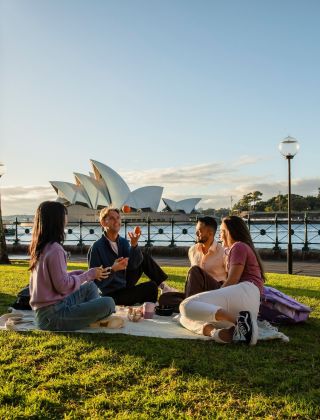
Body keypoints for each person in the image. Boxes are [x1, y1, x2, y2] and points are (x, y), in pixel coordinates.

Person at [29, 201, 115, 331]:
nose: (66, 219)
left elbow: (52, 279)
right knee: (109, 303)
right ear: (57, 219)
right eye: (64, 215)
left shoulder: (42, 247)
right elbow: (62, 286)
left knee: (90, 286)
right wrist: (88, 275)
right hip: (53, 317)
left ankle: (91, 316)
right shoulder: (56, 249)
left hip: (47, 312)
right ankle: (94, 316)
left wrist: (76, 274)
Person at [179, 215, 265, 345]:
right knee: (185, 317)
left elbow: (232, 280)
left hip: (245, 293)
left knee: (185, 306)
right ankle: (218, 333)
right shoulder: (240, 248)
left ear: (229, 232)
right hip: (246, 303)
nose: (219, 236)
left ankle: (239, 321)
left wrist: (214, 295)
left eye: (221, 232)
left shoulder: (238, 246)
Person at [88, 207, 173, 306]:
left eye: (118, 218)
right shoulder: (96, 247)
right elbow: (95, 282)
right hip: (111, 294)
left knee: (143, 256)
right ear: (103, 223)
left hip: (124, 283)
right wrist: (113, 269)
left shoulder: (123, 242)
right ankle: (148, 298)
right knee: (151, 287)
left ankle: (163, 286)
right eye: (112, 218)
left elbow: (133, 264)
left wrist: (134, 245)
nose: (116, 221)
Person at [158, 216, 227, 310]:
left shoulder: (223, 252)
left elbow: (231, 278)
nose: (196, 233)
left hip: (214, 292)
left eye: (200, 231)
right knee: (164, 299)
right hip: (196, 294)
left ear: (210, 233)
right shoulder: (192, 250)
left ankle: (189, 307)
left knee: (194, 270)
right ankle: (194, 306)